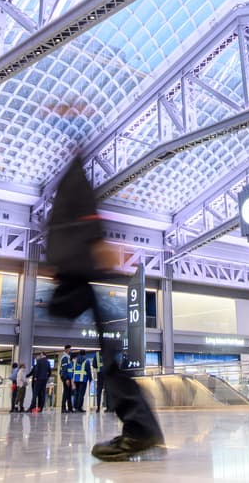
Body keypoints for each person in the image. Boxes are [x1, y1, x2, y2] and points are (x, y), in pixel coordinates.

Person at [45, 149, 165, 461]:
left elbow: (85, 219)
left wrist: (97, 248)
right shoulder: (71, 181)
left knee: (111, 361)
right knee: (110, 360)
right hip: (75, 274)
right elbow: (83, 221)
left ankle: (141, 430)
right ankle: (141, 428)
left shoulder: (72, 181)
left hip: (77, 274)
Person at [59, 345, 74, 413]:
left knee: (69, 393)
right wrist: (66, 379)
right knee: (66, 393)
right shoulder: (65, 358)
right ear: (66, 349)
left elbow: (70, 369)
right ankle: (63, 408)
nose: (70, 351)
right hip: (66, 378)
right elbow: (64, 369)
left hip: (69, 378)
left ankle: (70, 408)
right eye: (70, 349)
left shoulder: (68, 358)